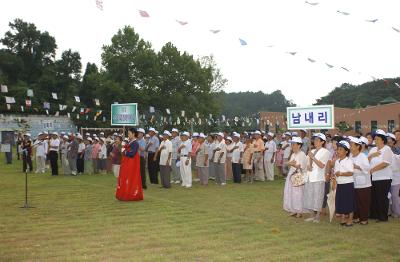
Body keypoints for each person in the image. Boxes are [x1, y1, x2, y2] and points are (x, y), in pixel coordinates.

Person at [303, 133, 330, 223]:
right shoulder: (312, 150)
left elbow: (322, 165)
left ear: (322, 142)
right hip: (309, 177)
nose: (315, 142)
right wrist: (308, 166)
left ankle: (318, 216)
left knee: (318, 196)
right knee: (309, 196)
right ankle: (312, 215)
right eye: (314, 140)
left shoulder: (325, 152)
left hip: (318, 177)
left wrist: (313, 157)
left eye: (317, 140)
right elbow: (307, 164)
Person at [368, 129, 394, 222]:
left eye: (378, 139)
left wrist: (372, 170)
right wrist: (372, 155)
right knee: (374, 197)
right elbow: (366, 160)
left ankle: (382, 217)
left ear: (383, 140)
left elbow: (385, 163)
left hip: (384, 178)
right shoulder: (373, 149)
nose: (376, 140)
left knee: (382, 197)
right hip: (374, 177)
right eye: (375, 139)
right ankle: (374, 214)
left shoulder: (387, 149)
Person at [116, 127, 143, 201]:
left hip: (131, 164)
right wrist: (120, 147)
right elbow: (123, 151)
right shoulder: (129, 142)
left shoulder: (135, 143)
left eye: (129, 133)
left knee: (131, 178)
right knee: (125, 178)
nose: (128, 135)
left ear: (133, 134)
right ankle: (125, 193)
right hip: (126, 163)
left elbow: (132, 153)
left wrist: (124, 151)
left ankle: (131, 194)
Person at [283, 136, 307, 218]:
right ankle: (293, 209)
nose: (292, 146)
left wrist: (291, 163)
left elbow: (299, 166)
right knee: (291, 192)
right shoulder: (293, 154)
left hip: (298, 175)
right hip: (292, 174)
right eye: (292, 144)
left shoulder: (302, 154)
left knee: (298, 193)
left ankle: (299, 210)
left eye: (294, 144)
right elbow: (289, 163)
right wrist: (291, 163)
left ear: (299, 145)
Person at [349, 136, 371, 225]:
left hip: (363, 183)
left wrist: (357, 166)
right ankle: (356, 217)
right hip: (353, 181)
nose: (350, 146)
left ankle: (364, 219)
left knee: (363, 201)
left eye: (351, 145)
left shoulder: (362, 156)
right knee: (355, 201)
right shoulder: (350, 156)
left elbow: (367, 167)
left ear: (358, 146)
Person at [333, 140, 355, 227]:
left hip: (348, 184)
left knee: (349, 202)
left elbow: (351, 173)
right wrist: (335, 181)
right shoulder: (337, 161)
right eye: (338, 149)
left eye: (341, 149)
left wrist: (341, 173)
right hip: (340, 184)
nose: (338, 151)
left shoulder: (348, 161)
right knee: (341, 201)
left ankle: (350, 219)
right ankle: (343, 218)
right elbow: (335, 173)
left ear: (346, 151)